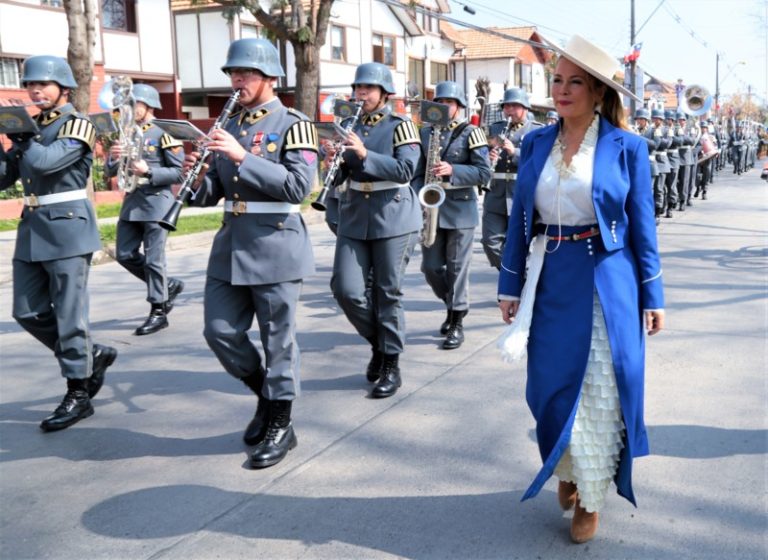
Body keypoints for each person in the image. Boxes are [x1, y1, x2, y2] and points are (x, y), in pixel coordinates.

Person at [497, 35, 664, 544]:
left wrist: (653, 294)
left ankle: (591, 494)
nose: (562, 90)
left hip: (606, 279)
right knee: (549, 386)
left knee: (599, 388)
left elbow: (643, 226)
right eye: (557, 80)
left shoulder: (627, 147)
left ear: (597, 92)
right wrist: (510, 284)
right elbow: (519, 219)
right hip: (550, 276)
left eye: (575, 83)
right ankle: (565, 464)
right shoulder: (535, 142)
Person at [185, 38, 318, 468]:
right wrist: (195, 180)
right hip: (231, 244)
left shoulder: (294, 124)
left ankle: (281, 421)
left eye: (246, 73)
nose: (237, 80)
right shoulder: (232, 124)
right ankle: (265, 393)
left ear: (270, 77)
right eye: (233, 73)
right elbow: (217, 191)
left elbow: (298, 187)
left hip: (275, 243)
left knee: (278, 340)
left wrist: (243, 156)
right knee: (219, 331)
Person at [0, 55, 117, 431]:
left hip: (67, 228)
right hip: (32, 228)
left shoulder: (78, 124)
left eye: (43, 84)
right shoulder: (31, 127)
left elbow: (45, 163)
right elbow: (5, 178)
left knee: (69, 316)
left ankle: (78, 394)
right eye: (30, 84)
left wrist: (22, 135)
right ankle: (90, 355)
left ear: (63, 87)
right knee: (27, 312)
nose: (35, 90)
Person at [327, 62, 422, 398]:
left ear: (384, 93)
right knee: (346, 289)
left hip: (393, 215)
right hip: (355, 214)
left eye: (368, 88)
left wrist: (365, 153)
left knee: (387, 292)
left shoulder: (401, 126)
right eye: (358, 88)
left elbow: (406, 169)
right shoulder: (347, 125)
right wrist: (334, 160)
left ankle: (391, 362)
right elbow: (341, 176)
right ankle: (380, 345)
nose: (361, 93)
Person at [414, 81, 491, 350]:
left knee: (457, 267)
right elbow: (417, 172)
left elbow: (484, 172)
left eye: (450, 102)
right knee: (431, 268)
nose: (445, 106)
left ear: (458, 106)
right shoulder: (425, 133)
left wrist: (453, 170)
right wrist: (419, 196)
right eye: (441, 102)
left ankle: (456, 320)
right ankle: (454, 304)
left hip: (460, 208)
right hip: (432, 207)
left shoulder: (471, 132)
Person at [107, 83, 185, 335]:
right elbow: (110, 171)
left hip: (157, 203)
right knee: (124, 254)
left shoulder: (165, 131)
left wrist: (148, 171)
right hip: (132, 202)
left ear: (149, 105)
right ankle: (167, 285)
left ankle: (159, 311)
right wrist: (114, 157)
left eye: (133, 104)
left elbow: (178, 172)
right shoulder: (127, 132)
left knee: (154, 259)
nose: (128, 109)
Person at [481, 88, 543, 270]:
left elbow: (540, 161)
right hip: (496, 194)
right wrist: (488, 158)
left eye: (514, 106)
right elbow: (480, 155)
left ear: (525, 107)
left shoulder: (537, 130)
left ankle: (516, 279)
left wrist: (514, 152)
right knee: (490, 243)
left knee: (519, 245)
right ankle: (514, 275)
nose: (509, 110)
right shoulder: (495, 128)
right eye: (506, 106)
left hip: (521, 194)